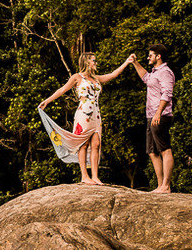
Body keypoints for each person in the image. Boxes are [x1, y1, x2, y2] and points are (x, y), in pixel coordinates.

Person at [38, 52, 133, 184]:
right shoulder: (77, 77)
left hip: (96, 115)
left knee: (96, 144)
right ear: (86, 62)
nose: (96, 63)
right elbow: (62, 90)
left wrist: (127, 62)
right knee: (83, 145)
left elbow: (113, 75)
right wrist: (47, 101)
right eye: (93, 61)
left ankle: (95, 176)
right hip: (83, 114)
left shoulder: (96, 78)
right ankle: (84, 176)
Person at [130, 43, 175, 192]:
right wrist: (135, 63)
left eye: (150, 55)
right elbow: (145, 78)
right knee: (152, 151)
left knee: (164, 149)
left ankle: (166, 186)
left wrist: (158, 113)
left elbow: (167, 94)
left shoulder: (166, 72)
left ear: (158, 56)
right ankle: (160, 185)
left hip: (161, 115)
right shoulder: (155, 73)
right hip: (151, 116)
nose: (148, 57)